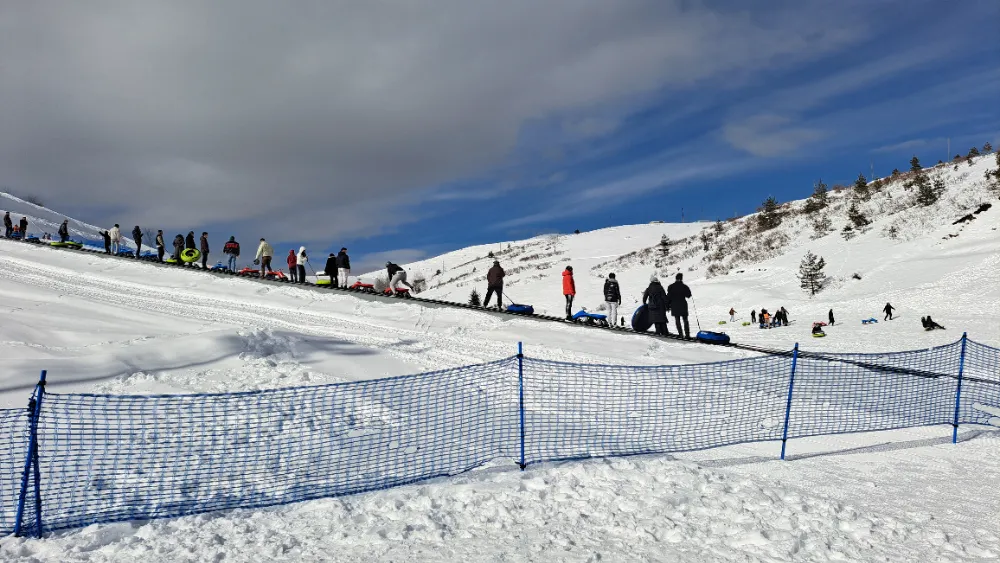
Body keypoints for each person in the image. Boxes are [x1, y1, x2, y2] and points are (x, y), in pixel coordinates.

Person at [666, 272, 692, 339]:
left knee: (677, 320)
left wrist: (667, 306)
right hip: (683, 305)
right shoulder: (684, 286)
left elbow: (668, 298)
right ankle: (687, 335)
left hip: (674, 305)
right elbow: (689, 295)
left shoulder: (671, 287)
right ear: (681, 278)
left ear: (676, 278)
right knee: (685, 320)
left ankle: (681, 335)